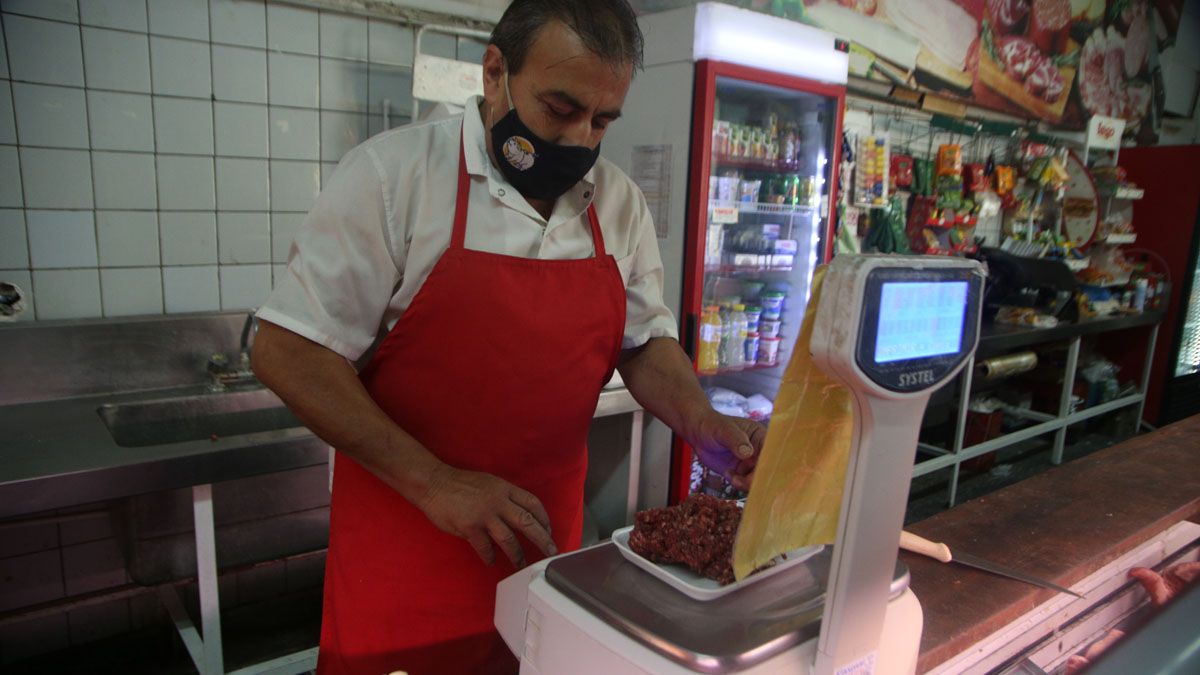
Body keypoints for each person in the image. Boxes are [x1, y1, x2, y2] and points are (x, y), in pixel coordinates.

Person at [251, 1, 762, 672]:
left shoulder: (618, 205)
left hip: (546, 570)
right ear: (496, 72)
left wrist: (702, 420)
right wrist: (436, 482)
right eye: (560, 108)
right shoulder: (394, 178)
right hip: (406, 569)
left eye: (602, 120)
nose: (582, 140)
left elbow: (642, 342)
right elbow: (285, 348)